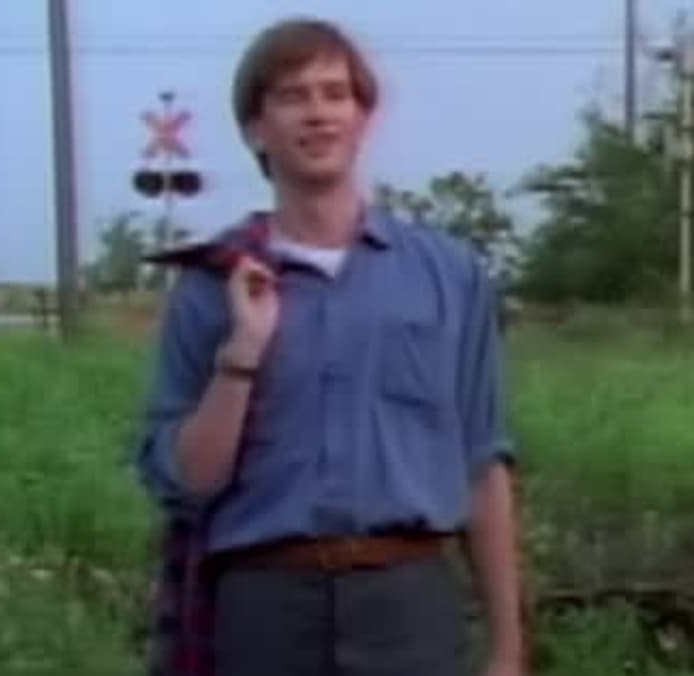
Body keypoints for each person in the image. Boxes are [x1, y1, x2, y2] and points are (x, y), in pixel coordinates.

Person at [132, 16, 526, 676]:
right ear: (256, 129)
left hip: (407, 605)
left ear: (363, 117)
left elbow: (483, 467)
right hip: (263, 608)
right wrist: (241, 354)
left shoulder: (448, 275)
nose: (317, 114)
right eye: (292, 96)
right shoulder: (213, 283)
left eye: (334, 94)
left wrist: (508, 650)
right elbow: (189, 481)